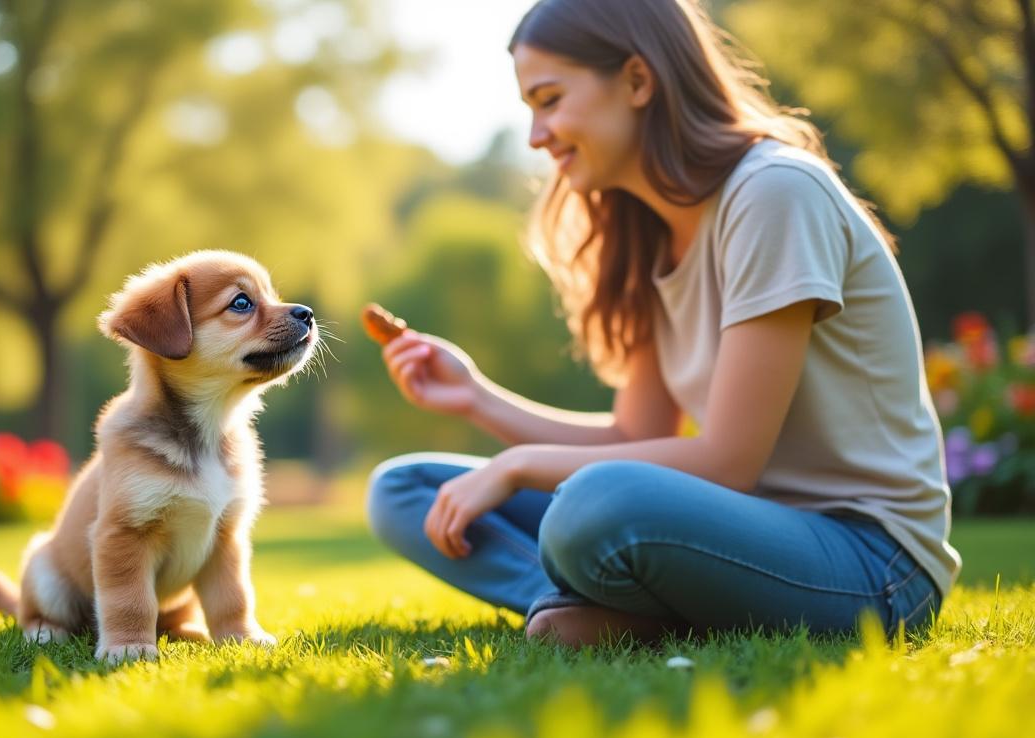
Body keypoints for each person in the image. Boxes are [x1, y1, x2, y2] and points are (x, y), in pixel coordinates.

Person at [366, 0, 959, 647]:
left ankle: (611, 609)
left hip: (872, 563)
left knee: (594, 504)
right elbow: (636, 434)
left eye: (550, 99)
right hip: (732, 531)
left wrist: (519, 465)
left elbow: (727, 459)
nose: (536, 134)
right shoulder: (649, 234)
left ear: (638, 82)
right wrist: (476, 398)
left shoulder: (774, 193)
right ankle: (579, 609)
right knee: (408, 489)